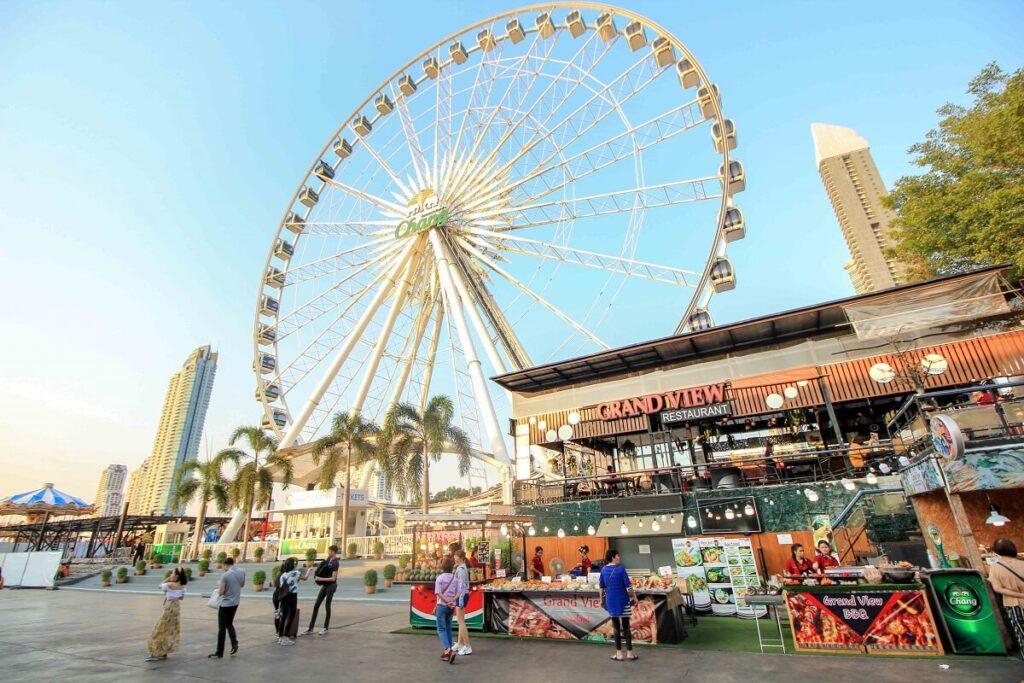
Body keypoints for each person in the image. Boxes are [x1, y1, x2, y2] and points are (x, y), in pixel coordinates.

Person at [600, 549, 638, 661]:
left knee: (616, 627)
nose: (619, 558)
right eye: (617, 556)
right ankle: (630, 653)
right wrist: (634, 597)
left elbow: (601, 587)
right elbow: (629, 587)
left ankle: (619, 654)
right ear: (613, 557)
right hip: (623, 601)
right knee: (626, 627)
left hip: (611, 601)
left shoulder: (603, 570)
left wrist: (601, 600)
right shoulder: (620, 569)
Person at [988, 538, 1024, 652]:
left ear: (996, 551)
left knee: (1021, 634)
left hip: (1013, 605)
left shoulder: (994, 568)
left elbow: (997, 588)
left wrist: (1019, 595)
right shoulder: (1022, 563)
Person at [146, 567, 187, 662]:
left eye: (172, 574)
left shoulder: (170, 584)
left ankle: (156, 652)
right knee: (169, 630)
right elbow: (181, 597)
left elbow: (160, 586)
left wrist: (168, 579)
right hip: (176, 607)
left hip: (169, 607)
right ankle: (163, 651)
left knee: (160, 629)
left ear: (176, 576)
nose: (170, 575)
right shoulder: (182, 586)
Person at [209, 557, 245, 658]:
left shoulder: (225, 575)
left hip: (226, 603)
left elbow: (221, 592)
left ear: (225, 565)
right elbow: (242, 584)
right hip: (235, 602)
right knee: (229, 624)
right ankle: (234, 643)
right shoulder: (242, 571)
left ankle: (219, 652)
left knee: (221, 628)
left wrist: (219, 589)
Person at [302, 545, 340, 636]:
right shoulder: (328, 559)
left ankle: (325, 628)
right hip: (325, 585)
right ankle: (310, 628)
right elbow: (322, 567)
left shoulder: (335, 562)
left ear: (334, 552)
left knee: (327, 605)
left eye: (330, 551)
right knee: (316, 605)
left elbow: (333, 578)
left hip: (331, 586)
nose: (328, 553)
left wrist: (321, 579)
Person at [275, 557, 309, 646]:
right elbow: (305, 578)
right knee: (291, 616)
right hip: (292, 596)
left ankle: (280, 637)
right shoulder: (296, 573)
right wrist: (309, 570)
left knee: (283, 616)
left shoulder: (283, 575)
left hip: (284, 597)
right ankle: (286, 637)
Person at [434, 557, 460, 664]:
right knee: (449, 627)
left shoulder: (439, 578)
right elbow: (459, 593)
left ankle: (447, 649)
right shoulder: (455, 578)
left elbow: (438, 593)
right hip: (451, 607)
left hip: (442, 606)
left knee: (440, 629)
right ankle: (451, 650)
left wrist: (446, 601)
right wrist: (451, 601)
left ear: (442, 567)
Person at [452, 549, 472, 656]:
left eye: (456, 556)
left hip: (461, 596)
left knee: (461, 622)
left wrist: (459, 600)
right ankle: (460, 643)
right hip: (462, 596)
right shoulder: (462, 568)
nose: (454, 558)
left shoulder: (461, 569)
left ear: (460, 558)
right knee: (460, 621)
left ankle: (467, 646)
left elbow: (462, 587)